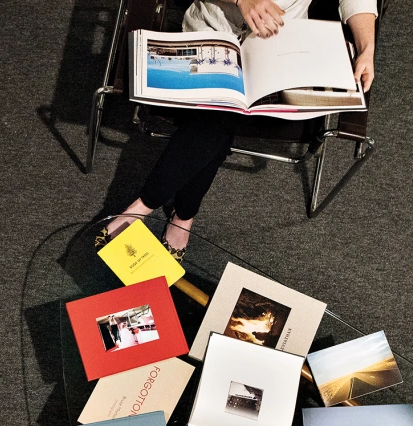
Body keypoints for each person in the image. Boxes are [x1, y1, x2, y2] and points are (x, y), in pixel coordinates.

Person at [102, 0, 378, 258]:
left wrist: (367, 48)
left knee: (214, 121)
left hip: (282, 45)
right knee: (218, 120)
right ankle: (179, 212)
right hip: (211, 33)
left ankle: (142, 208)